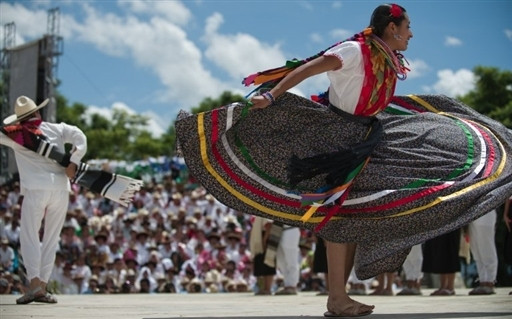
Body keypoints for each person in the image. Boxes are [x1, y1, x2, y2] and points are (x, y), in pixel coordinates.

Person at [175, 3, 512, 317]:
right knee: (340, 215)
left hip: (365, 135)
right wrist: (272, 94)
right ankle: (338, 297)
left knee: (350, 214)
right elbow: (309, 68)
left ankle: (340, 296)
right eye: (408, 27)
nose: (411, 33)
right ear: (392, 27)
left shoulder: (386, 57)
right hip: (338, 136)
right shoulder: (355, 51)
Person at [0, 96, 87, 304]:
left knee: (29, 236)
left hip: (36, 188)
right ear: (38, 113)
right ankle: (43, 287)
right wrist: (74, 160)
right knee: (51, 238)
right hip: (60, 188)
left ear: (19, 119)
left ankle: (34, 285)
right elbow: (80, 136)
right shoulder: (56, 129)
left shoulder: (16, 134)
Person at [467, 210, 498, 295]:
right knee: (476, 249)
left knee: (486, 247)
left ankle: (490, 281)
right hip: (473, 212)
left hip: (486, 210)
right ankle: (483, 280)